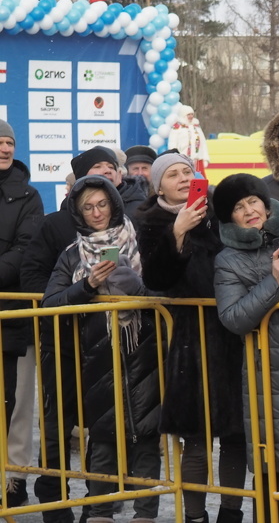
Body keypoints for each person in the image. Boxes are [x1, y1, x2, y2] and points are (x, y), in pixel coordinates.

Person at [41, 175, 161, 523]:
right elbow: (51, 304)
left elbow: (166, 290)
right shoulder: (71, 254)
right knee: (104, 437)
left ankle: (146, 514)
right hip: (98, 357)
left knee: (146, 435)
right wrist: (88, 285)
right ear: (78, 213)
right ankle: (99, 513)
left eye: (102, 204)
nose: (96, 212)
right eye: (88, 207)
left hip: (144, 352)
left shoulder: (140, 240)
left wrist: (139, 291)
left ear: (114, 202)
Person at [135, 154, 246, 523]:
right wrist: (178, 231)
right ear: (158, 185)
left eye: (187, 171)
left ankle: (231, 513)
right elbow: (156, 278)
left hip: (232, 331)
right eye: (173, 174)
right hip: (189, 338)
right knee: (195, 436)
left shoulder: (218, 210)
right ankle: (194, 516)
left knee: (235, 433)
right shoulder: (151, 221)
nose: (183, 178)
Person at [212, 173, 279, 521]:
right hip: (268, 370)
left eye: (253, 201)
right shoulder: (228, 260)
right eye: (238, 207)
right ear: (229, 218)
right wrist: (275, 281)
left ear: (265, 205)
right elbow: (234, 316)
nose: (249, 210)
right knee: (274, 459)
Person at [0, 118, 44, 507]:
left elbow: (26, 247)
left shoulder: (29, 195)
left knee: (17, 401)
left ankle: (15, 479)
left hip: (13, 311)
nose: (4, 148)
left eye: (9, 142)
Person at [71, 146, 148, 218]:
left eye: (111, 167)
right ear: (82, 176)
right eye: (97, 166)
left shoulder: (139, 210)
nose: (108, 171)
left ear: (119, 175)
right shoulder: (69, 211)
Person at [169, 105, 210, 177]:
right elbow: (172, 144)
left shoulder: (196, 127)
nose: (191, 116)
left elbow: (203, 143)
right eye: (188, 114)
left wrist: (205, 158)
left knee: (200, 181)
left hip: (197, 160)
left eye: (192, 114)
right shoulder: (177, 127)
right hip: (182, 160)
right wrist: (174, 159)